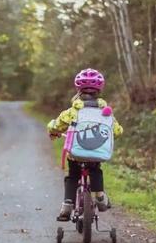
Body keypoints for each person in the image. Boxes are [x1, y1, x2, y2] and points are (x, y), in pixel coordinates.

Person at [47, 68, 123, 222]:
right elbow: (116, 130)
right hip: (96, 155)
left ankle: (67, 205)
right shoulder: (105, 112)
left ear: (78, 90)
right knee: (96, 170)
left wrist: (52, 130)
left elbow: (57, 125)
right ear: (99, 90)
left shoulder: (73, 111)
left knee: (73, 176)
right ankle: (100, 197)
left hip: (76, 154)